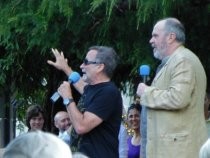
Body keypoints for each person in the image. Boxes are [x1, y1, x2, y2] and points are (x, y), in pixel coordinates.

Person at [136, 17, 207, 158]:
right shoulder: (176, 60)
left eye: (155, 35)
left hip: (178, 151)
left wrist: (146, 92)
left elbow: (178, 98)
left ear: (171, 37)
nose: (151, 40)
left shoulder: (182, 60)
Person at [47, 46, 122, 158]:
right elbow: (79, 83)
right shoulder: (93, 88)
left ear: (100, 67)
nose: (82, 66)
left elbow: (81, 127)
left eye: (86, 62)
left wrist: (67, 98)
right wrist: (65, 67)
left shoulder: (108, 92)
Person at [3, 131, 72, 158]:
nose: (37, 122)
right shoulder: (22, 140)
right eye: (34, 119)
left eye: (40, 119)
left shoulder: (52, 139)